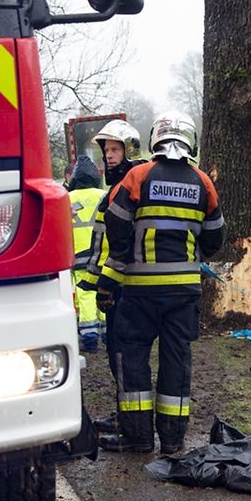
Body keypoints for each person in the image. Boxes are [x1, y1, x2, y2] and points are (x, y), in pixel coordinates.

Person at [95, 111, 225, 454]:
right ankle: (172, 439)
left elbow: (117, 225)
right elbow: (214, 238)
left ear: (155, 140)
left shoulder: (138, 176)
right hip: (184, 293)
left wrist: (110, 277)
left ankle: (137, 437)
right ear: (190, 141)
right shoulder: (202, 183)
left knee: (132, 356)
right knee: (176, 360)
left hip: (140, 292)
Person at [84, 119, 145, 433]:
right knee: (118, 355)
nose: (108, 156)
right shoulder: (119, 187)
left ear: (129, 150)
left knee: (122, 354)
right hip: (119, 282)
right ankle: (127, 415)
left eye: (115, 149)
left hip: (125, 285)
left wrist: (107, 283)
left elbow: (122, 242)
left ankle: (130, 420)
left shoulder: (131, 187)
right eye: (106, 150)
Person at [66, 152, 104, 351]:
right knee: (104, 289)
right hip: (102, 252)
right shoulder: (103, 196)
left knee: (85, 292)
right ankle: (107, 331)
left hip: (78, 254)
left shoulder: (67, 198)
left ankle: (89, 335)